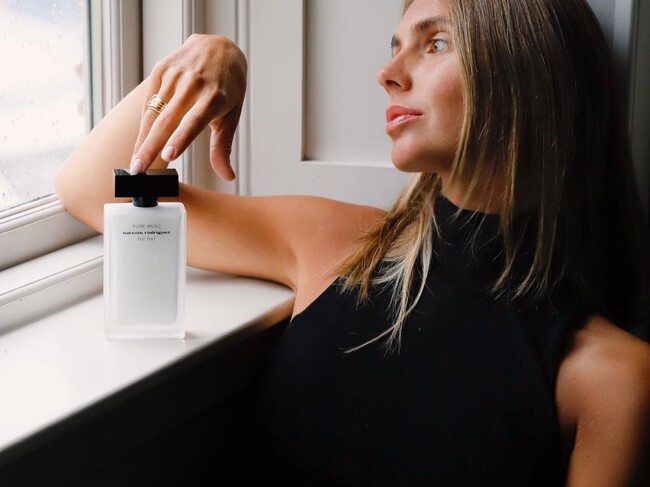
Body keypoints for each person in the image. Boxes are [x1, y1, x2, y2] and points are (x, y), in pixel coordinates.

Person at [55, 0, 650, 485]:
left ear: (530, 72)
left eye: (436, 43)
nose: (388, 74)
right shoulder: (344, 243)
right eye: (395, 47)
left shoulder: (613, 377)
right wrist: (208, 56)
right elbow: (92, 187)